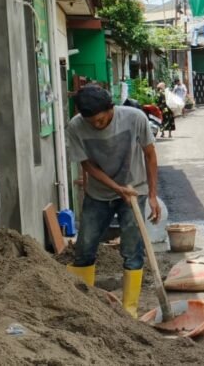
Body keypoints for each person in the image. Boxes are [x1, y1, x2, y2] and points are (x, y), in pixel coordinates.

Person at [65, 85, 162, 317]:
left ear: (111, 108)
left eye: (100, 120)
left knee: (132, 249)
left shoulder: (134, 118)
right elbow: (86, 165)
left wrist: (151, 195)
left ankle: (130, 311)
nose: (96, 125)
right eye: (91, 122)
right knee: (85, 246)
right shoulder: (76, 126)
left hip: (133, 191)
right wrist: (116, 187)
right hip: (99, 194)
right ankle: (84, 307)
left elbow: (150, 155)